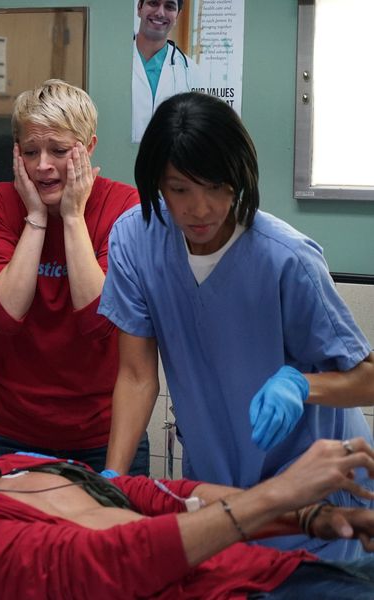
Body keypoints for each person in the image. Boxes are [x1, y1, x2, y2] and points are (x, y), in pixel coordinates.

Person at [99, 91, 374, 561]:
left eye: (217, 186)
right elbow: (137, 376)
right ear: (157, 183)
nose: (201, 209)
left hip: (315, 495)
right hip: (219, 491)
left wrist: (299, 385)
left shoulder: (286, 259)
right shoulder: (135, 240)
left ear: (240, 177)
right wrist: (112, 481)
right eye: (180, 189)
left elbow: (367, 379)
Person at [0, 376, 374, 599]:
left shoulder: (14, 466)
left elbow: (163, 496)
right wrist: (279, 492)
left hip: (268, 571)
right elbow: (89, 567)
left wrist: (314, 517)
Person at [0, 79, 147, 475]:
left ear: (89, 147)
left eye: (60, 151)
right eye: (31, 152)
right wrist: (35, 217)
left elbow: (98, 320)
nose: (43, 166)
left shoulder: (124, 206)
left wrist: (72, 216)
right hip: (8, 429)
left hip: (103, 432)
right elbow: (6, 315)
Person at [132, 0, 205, 143]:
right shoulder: (114, 63)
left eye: (169, 6)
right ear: (139, 8)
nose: (160, 13)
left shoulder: (191, 72)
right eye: (153, 3)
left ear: (177, 16)